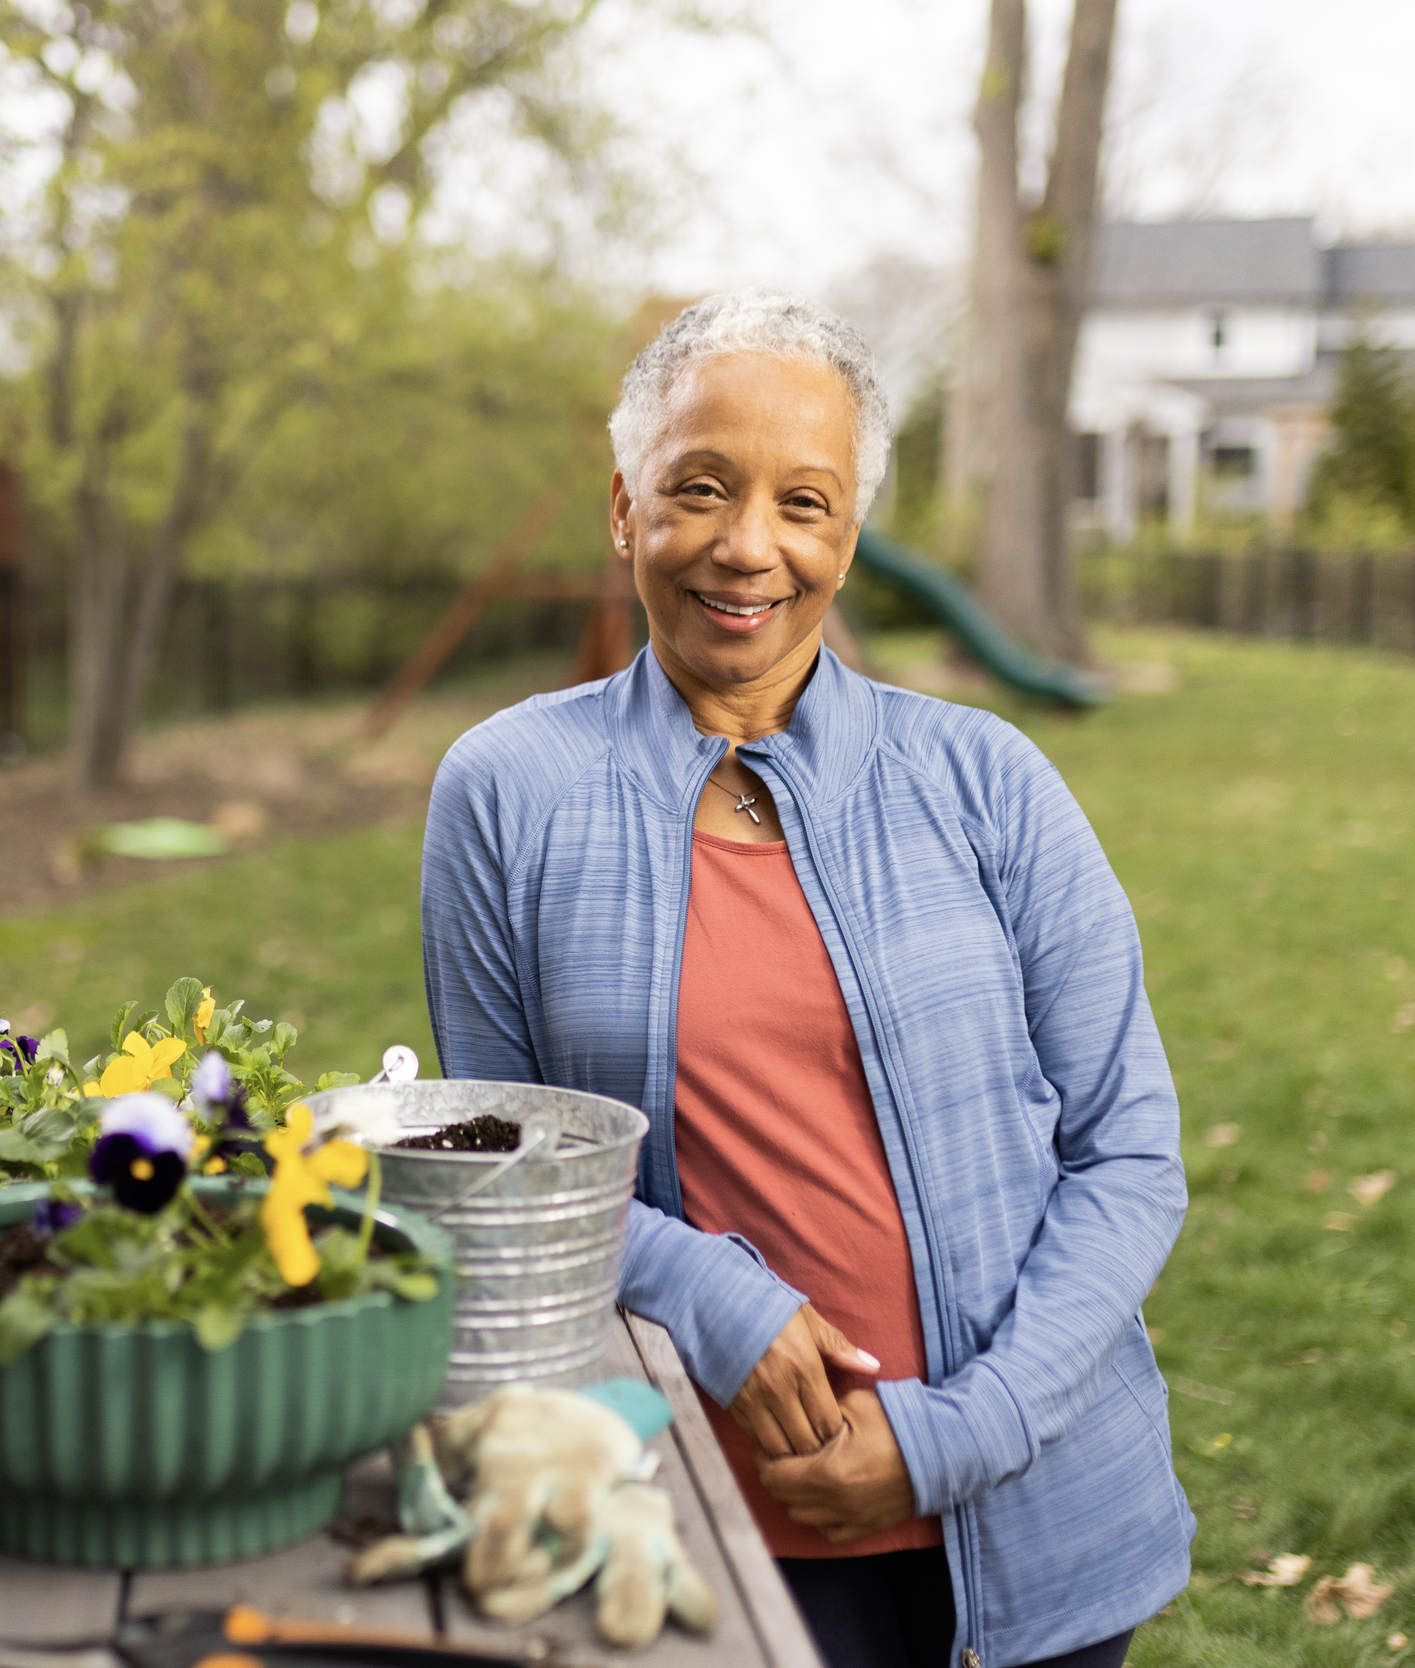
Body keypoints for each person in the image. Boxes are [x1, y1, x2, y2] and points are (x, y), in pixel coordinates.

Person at [420, 289, 1191, 1668]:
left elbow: (1128, 1150)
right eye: (698, 490)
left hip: (1034, 1502)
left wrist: (959, 1435)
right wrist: (718, 1299)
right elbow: (503, 1163)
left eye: (805, 504)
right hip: (699, 1514)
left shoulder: (988, 781)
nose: (746, 547)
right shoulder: (508, 791)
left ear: (847, 536)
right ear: (623, 508)